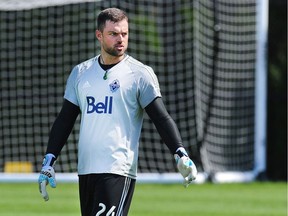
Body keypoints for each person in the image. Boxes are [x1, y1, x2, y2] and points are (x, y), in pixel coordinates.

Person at [38, 7, 197, 216]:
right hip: (86, 170)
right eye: (113, 34)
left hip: (117, 170)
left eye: (124, 33)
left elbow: (160, 117)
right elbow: (65, 119)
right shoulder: (81, 73)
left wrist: (180, 153)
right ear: (99, 35)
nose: (120, 39)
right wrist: (49, 159)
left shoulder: (140, 74)